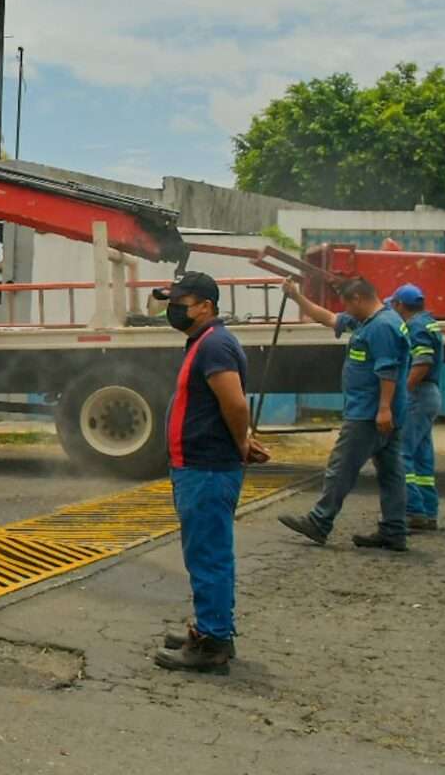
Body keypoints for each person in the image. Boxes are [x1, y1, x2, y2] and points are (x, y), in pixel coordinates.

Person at [150, 272, 271, 674]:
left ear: (205, 306)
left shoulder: (215, 344)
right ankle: (212, 629)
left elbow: (235, 404)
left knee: (208, 555)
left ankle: (212, 642)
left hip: (206, 467)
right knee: (206, 551)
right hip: (199, 465)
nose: (173, 308)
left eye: (180, 301)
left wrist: (241, 441)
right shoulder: (206, 342)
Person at [279, 277, 410, 550]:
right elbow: (328, 318)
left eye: (348, 306)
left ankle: (319, 521)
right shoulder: (368, 322)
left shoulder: (382, 327)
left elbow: (388, 370)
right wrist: (296, 296)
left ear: (358, 299)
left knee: (340, 468)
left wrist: (384, 409)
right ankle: (394, 529)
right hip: (379, 413)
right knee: (391, 472)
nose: (346, 312)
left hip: (369, 415)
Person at [387, 283, 444, 530]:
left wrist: (404, 390)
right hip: (430, 395)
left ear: (400, 305)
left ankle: (414, 511)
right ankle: (428, 511)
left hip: (418, 395)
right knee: (422, 457)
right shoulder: (430, 322)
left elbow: (422, 361)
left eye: (394, 305)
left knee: (402, 454)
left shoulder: (415, 326)